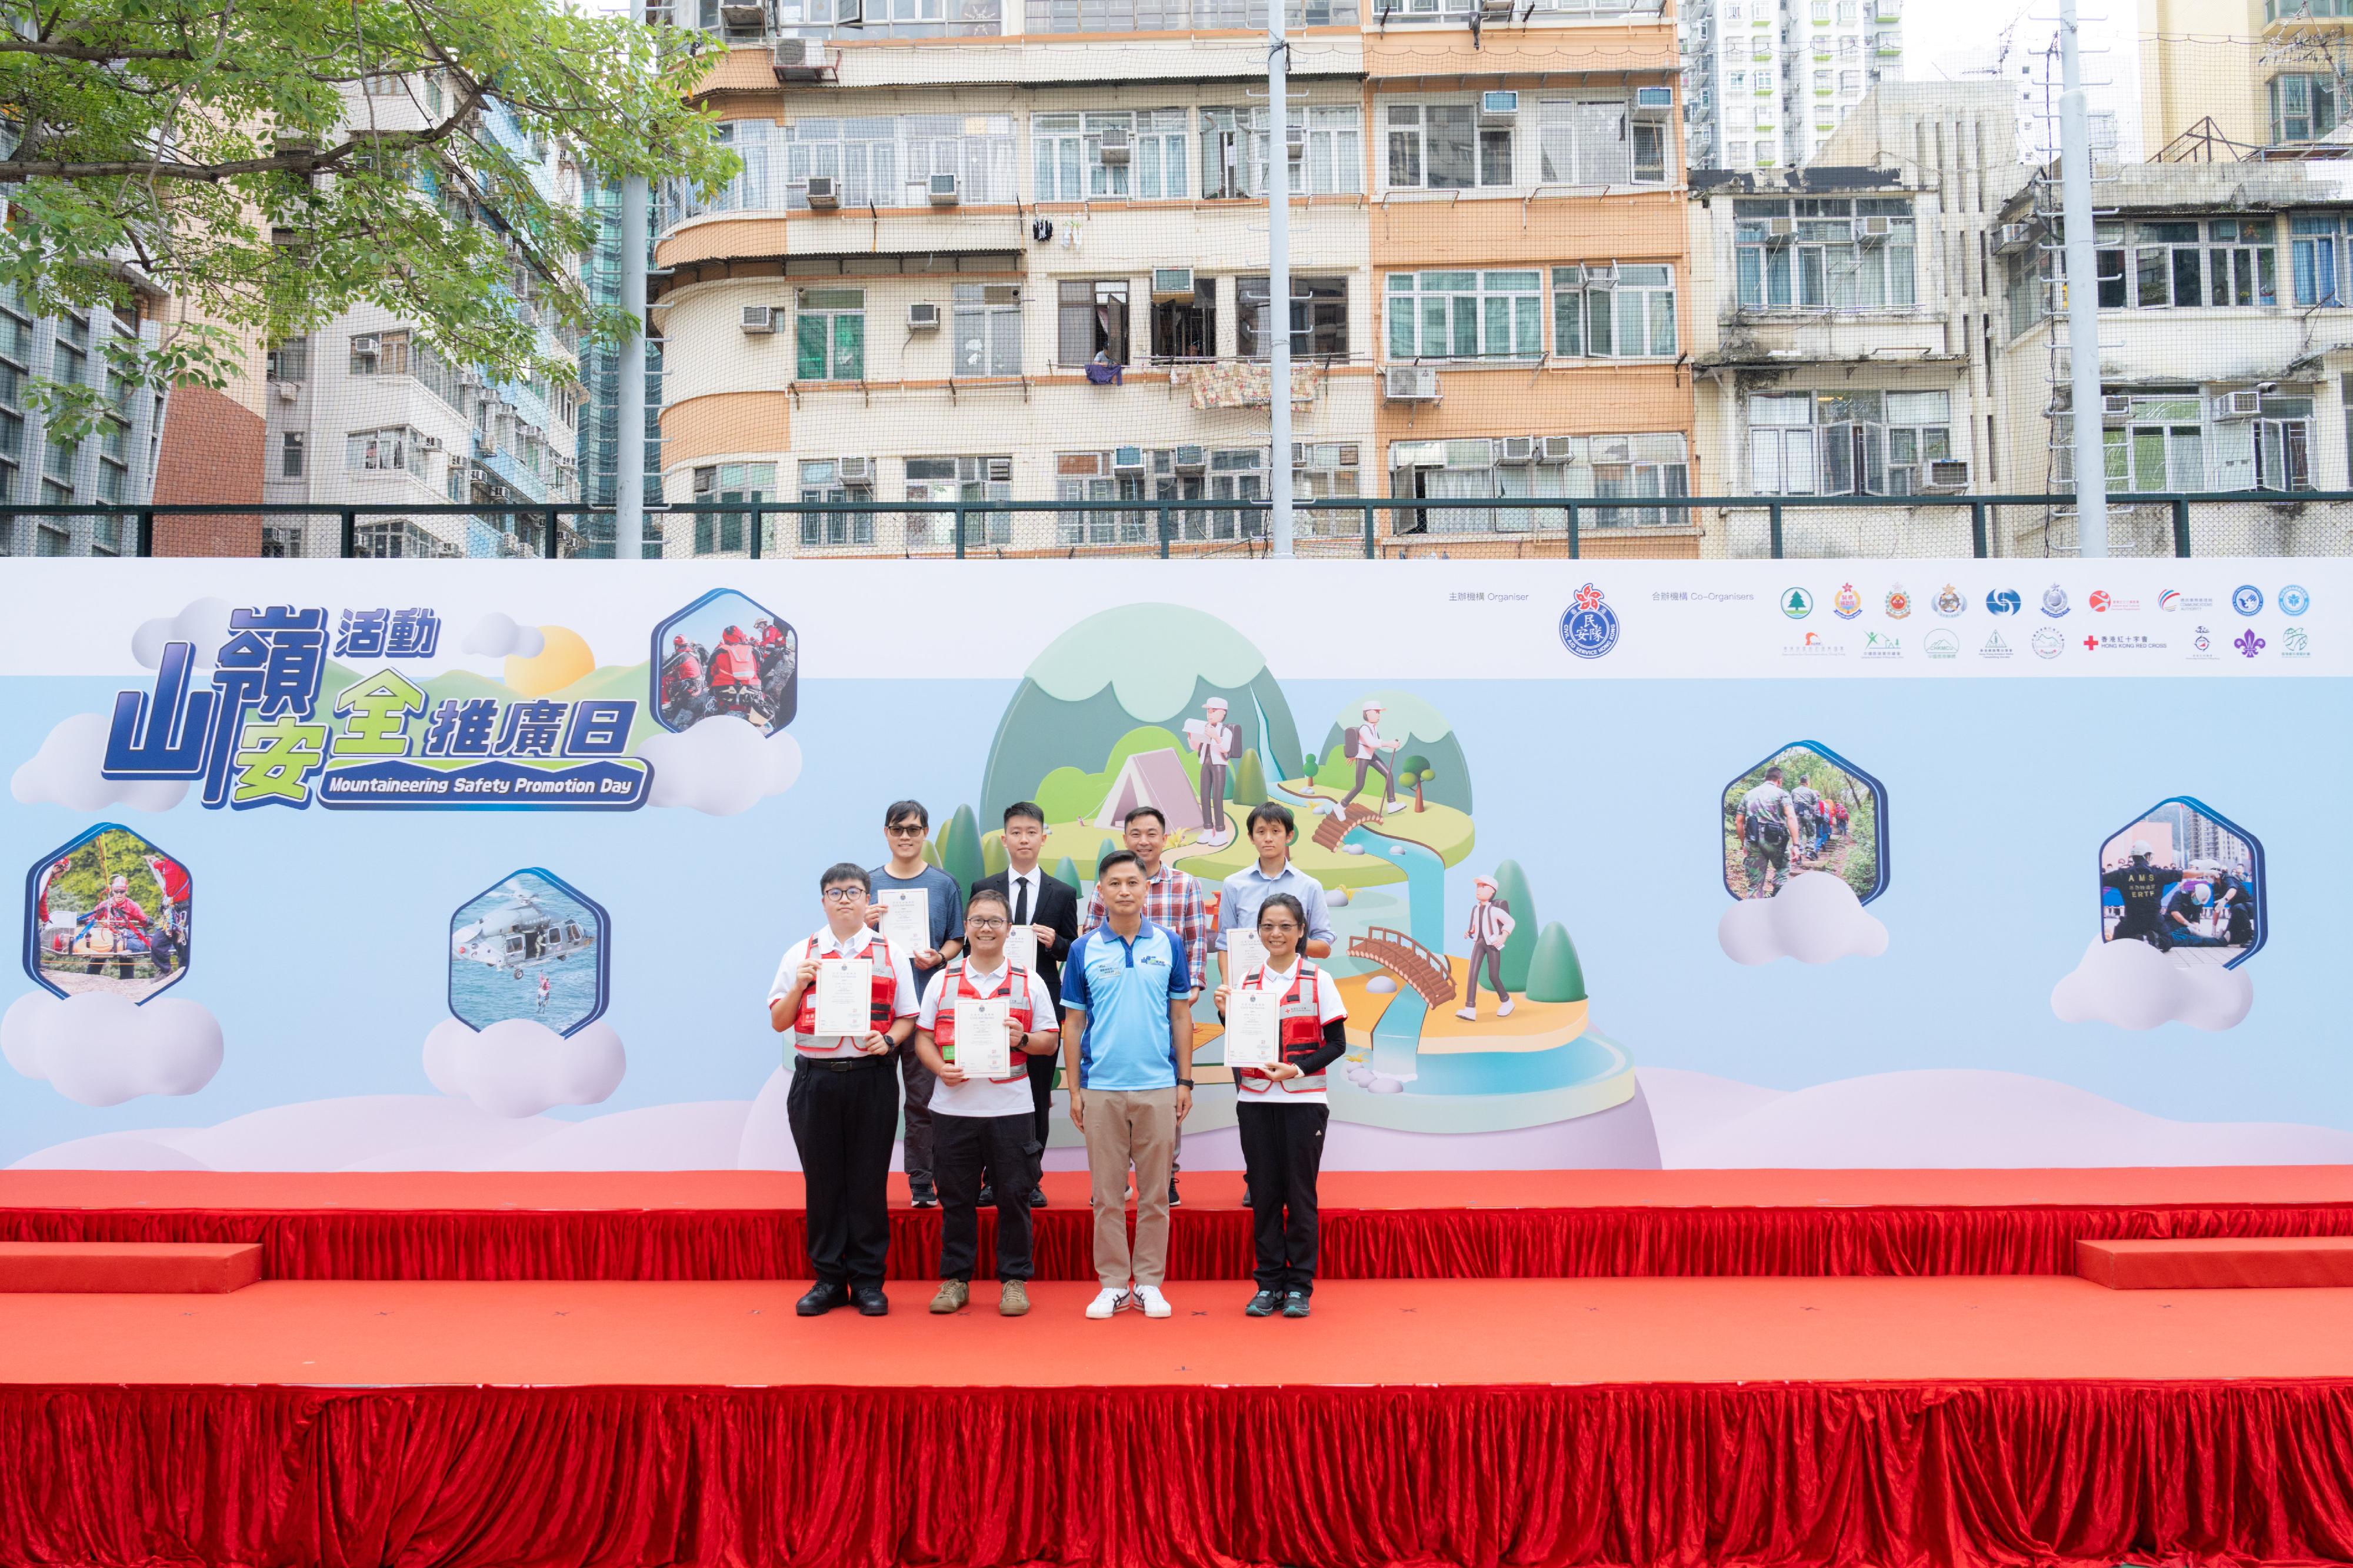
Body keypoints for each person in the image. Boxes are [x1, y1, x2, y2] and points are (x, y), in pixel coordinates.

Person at [767, 862, 920, 1317]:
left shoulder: (891, 952)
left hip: (871, 1078)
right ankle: (829, 1279)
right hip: (816, 1081)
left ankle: (870, 1282)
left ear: (867, 899)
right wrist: (800, 985)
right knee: (824, 1184)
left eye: (854, 891)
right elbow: (778, 1020)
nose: (845, 899)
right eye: (836, 893)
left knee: (868, 1183)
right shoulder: (801, 953)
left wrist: (889, 1039)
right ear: (824, 901)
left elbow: (908, 1016)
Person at [912, 887, 1059, 1317]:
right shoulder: (943, 980)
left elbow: (1050, 1042)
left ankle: (1014, 1281)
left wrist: (1024, 1039)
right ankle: (956, 1279)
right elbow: (923, 1037)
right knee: (956, 1198)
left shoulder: (1029, 980)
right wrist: (940, 1068)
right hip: (953, 1109)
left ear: (1009, 929)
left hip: (1011, 1110)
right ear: (967, 928)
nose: (986, 929)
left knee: (1014, 1196)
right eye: (978, 921)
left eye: (995, 921)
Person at [1063, 849, 1192, 1320]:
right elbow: (1073, 1025)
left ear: (1145, 889)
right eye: (1114, 883)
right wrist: (1075, 1090)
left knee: (1156, 1193)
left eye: (1132, 883)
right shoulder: (1082, 950)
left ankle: (1150, 1283)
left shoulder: (1169, 943)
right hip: (1101, 1090)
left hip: (1159, 1086)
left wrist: (1184, 1081)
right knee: (1106, 1195)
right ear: (1100, 892)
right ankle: (1115, 1283)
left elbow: (1181, 1013)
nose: (1123, 891)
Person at [1214, 892, 1346, 1319]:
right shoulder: (1246, 982)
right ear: (1258, 932)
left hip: (1304, 1101)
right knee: (1266, 1194)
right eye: (1268, 926)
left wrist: (1298, 1070)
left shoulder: (1318, 979)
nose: (1276, 934)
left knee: (1300, 1195)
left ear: (1301, 931)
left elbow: (1337, 1045)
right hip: (1253, 1100)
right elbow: (1241, 1041)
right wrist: (1224, 1014)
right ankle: (1268, 1284)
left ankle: (1299, 1287)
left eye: (1285, 926)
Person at [1082, 806, 1206, 1205]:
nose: (1144, 841)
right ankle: (1113, 1180)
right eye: (1136, 833)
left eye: (1152, 833)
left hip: (1170, 999)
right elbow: (1089, 939)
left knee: (1168, 1085)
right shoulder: (1106, 885)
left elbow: (1195, 940)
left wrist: (1192, 987)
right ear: (1126, 838)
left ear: (1165, 838)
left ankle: (1165, 1175)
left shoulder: (1185, 884)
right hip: (1115, 1000)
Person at [969, 800, 1079, 1210]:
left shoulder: (1062, 893)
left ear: (1043, 838)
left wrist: (1057, 942)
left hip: (1040, 1001)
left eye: (1031, 832)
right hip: (988, 1001)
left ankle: (1030, 1179)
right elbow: (971, 943)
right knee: (987, 1087)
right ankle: (989, 1180)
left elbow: (1074, 947)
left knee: (1036, 1092)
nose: (1024, 840)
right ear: (1005, 838)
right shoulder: (985, 888)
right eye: (1016, 832)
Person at [866, 800, 966, 1208]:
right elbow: (845, 939)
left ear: (925, 833)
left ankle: (922, 1183)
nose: (906, 836)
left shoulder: (944, 884)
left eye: (913, 829)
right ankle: (867, 1183)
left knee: (924, 1100)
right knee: (873, 1103)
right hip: (876, 1012)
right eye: (897, 829)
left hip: (925, 1009)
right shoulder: (867, 884)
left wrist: (939, 957)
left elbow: (958, 939)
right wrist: (863, 923)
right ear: (886, 833)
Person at [1454, 873, 1517, 1022]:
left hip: (1492, 944)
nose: (1479, 889)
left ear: (1492, 891)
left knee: (1493, 976)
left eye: (1483, 887)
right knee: (1472, 973)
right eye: (1478, 886)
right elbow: (1476, 925)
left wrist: (1503, 936)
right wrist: (1470, 932)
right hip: (1479, 942)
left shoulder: (1495, 910)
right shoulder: (1475, 909)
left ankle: (1507, 1002)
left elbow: (1510, 922)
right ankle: (1470, 1009)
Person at [1734, 766, 1802, 899]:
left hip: (1753, 841)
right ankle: (1778, 895)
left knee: (1755, 885)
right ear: (1780, 781)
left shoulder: (1749, 794)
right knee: (1783, 866)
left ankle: (1754, 913)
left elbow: (1739, 822)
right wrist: (1796, 845)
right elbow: (1791, 817)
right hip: (1776, 841)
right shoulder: (1782, 794)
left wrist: (1744, 843)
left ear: (1765, 779)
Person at [2101, 839, 2171, 951]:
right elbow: (2183, 874)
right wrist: (2206, 873)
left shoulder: (2122, 874)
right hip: (2154, 919)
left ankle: (2137, 939)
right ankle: (2153, 940)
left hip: (2131, 920)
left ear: (2133, 857)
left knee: (2117, 941)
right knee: (2168, 941)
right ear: (2147, 856)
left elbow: (2100, 879)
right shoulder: (2158, 873)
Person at [1338, 702, 1406, 814]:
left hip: (1370, 756)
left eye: (1379, 712)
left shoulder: (1374, 728)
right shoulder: (1365, 728)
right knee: (1359, 786)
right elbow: (1371, 743)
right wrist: (1388, 744)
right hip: (1364, 758)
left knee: (1389, 775)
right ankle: (1340, 807)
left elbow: (1367, 744)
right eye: (1376, 712)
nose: (1379, 715)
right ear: (1367, 714)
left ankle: (1392, 804)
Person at [1188, 698, 1237, 848]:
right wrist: (1191, 736)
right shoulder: (1205, 727)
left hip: (1218, 766)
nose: (1210, 714)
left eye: (1213, 711)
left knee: (1216, 799)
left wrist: (1215, 736)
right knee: (1204, 797)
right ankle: (1208, 829)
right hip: (1205, 764)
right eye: (1208, 711)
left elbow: (1226, 748)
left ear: (1223, 714)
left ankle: (1221, 833)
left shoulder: (1225, 731)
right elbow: (1196, 747)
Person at [707, 625, 764, 724]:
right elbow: (760, 672)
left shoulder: (719, 651)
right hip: (751, 693)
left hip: (724, 694)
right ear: (741, 636)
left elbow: (709, 676)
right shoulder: (754, 651)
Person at [2163, 880, 2224, 947]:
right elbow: (2175, 913)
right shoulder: (2180, 895)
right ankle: (2218, 941)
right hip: (2172, 923)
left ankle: (2216, 940)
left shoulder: (2200, 902)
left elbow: (2196, 919)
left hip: (2187, 926)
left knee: (2196, 937)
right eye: (2197, 899)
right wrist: (2187, 924)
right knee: (2187, 939)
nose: (2197, 902)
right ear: (2193, 892)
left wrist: (2196, 929)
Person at [1789, 775, 1822, 865]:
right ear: (1807, 783)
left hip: (1796, 815)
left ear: (1800, 782)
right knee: (1811, 833)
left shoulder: (1794, 791)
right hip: (1807, 813)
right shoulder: (1811, 792)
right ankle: (1810, 851)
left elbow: (1790, 803)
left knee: (1798, 834)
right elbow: (1815, 805)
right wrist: (1813, 815)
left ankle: (1798, 855)